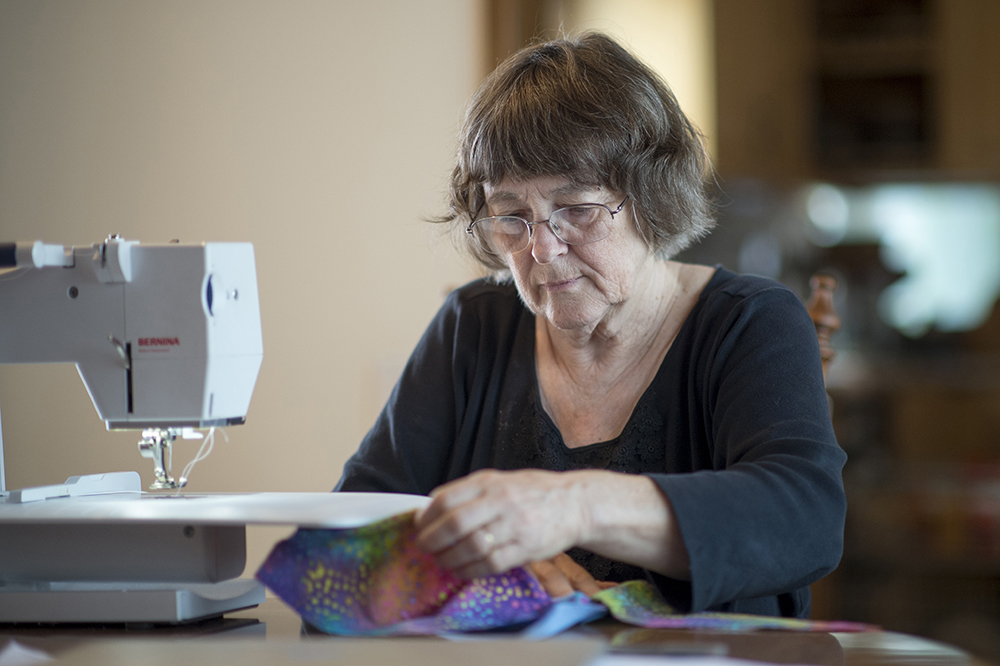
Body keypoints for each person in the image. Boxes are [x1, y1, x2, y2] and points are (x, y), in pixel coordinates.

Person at [335, 32, 846, 618]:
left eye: (575, 208)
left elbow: (803, 522)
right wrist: (478, 565)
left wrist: (571, 507)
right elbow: (350, 539)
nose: (543, 249)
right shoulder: (472, 327)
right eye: (511, 216)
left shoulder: (748, 322)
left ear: (651, 197)